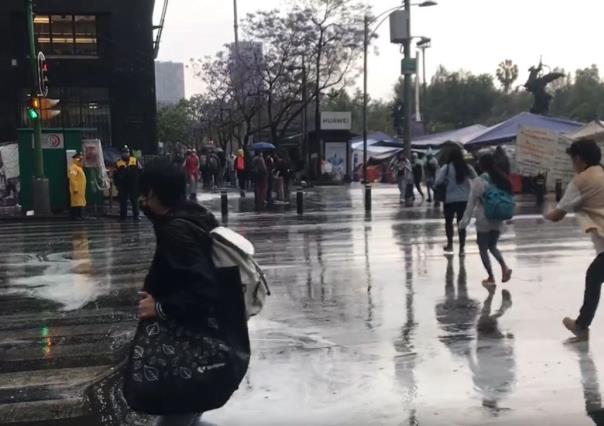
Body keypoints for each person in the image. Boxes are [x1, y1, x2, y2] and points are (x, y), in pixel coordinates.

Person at [135, 160, 249, 426]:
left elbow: (202, 290)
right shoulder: (192, 215)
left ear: (151, 192)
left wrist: (160, 307)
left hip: (189, 342)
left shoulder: (177, 230)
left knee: (177, 418)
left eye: (144, 193)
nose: (141, 199)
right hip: (201, 337)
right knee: (188, 418)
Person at [545, 139, 604, 341]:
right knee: (595, 276)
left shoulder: (581, 181)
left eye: (572, 160)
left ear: (578, 158)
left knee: (594, 276)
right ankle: (581, 325)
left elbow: (557, 215)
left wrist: (546, 213)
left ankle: (581, 326)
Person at [459, 154, 513, 285]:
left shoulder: (479, 181)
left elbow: (471, 203)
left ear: (482, 165)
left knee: (483, 248)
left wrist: (464, 222)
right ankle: (504, 267)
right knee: (493, 246)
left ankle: (491, 277)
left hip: (484, 218)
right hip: (498, 217)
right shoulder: (501, 179)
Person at [435, 147, 477, 256]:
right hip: (464, 200)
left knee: (449, 223)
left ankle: (450, 245)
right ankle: (462, 248)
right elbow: (476, 178)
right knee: (461, 223)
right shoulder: (467, 167)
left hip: (449, 200)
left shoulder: (446, 168)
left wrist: (446, 181)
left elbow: (438, 181)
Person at [114, 146, 141, 221]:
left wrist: (139, 182)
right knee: (123, 201)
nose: (126, 154)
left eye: (127, 152)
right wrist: (117, 185)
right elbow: (115, 175)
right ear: (121, 154)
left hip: (133, 184)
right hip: (123, 185)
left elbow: (141, 171)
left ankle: (136, 216)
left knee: (134, 200)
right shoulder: (118, 162)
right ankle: (123, 217)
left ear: (129, 153)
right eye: (124, 153)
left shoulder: (134, 160)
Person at [68, 152, 86, 220]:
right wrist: (75, 188)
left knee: (79, 203)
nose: (81, 161)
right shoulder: (73, 168)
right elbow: (73, 179)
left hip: (80, 189)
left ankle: (79, 215)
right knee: (76, 203)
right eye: (80, 159)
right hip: (76, 189)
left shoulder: (78, 167)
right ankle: (75, 216)